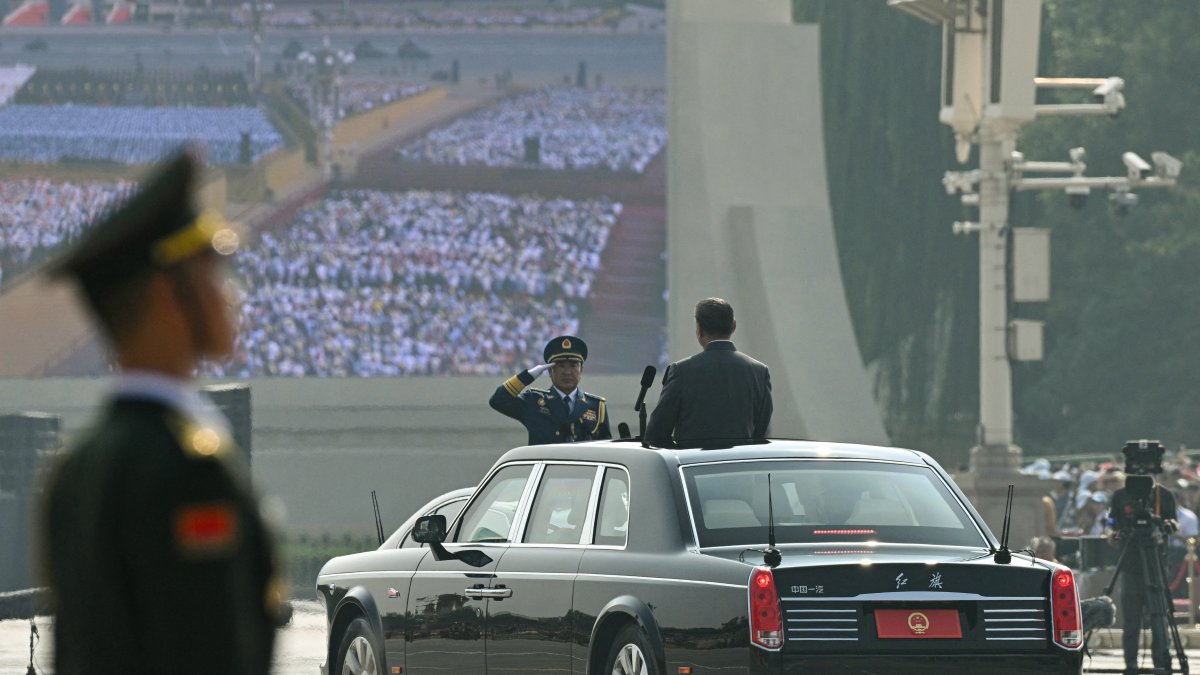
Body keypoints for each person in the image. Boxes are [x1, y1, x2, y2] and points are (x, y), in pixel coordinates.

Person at [38, 151, 284, 674]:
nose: (229, 295)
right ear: (169, 296)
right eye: (211, 273)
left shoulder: (77, 468)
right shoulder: (186, 470)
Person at [645, 298, 772, 448]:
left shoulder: (682, 371)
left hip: (693, 468)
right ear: (734, 326)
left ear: (699, 330)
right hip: (740, 468)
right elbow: (761, 435)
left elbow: (656, 434)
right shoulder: (759, 372)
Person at [1107, 445, 1179, 675]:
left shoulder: (1163, 495)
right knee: (1131, 622)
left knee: (1159, 619)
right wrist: (1113, 535)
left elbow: (1174, 524)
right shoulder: (1120, 496)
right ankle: (1130, 666)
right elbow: (1111, 525)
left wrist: (1166, 526)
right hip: (1130, 565)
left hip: (1156, 564)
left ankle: (1161, 664)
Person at [489, 335, 611, 445]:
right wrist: (528, 375)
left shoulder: (596, 406)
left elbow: (605, 450)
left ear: (581, 370)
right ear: (549, 371)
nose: (567, 372)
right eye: (560, 366)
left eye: (573, 366)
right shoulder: (533, 401)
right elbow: (498, 400)